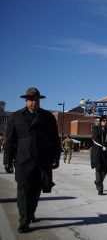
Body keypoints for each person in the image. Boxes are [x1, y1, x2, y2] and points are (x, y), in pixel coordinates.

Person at [3, 87, 61, 233]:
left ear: (39, 101)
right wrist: (7, 160)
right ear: (26, 101)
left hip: (42, 160)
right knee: (23, 191)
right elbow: (9, 141)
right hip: (23, 159)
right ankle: (24, 220)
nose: (34, 103)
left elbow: (54, 139)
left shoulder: (47, 117)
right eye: (31, 100)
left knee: (36, 191)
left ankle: (30, 213)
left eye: (36, 100)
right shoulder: (16, 117)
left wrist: (56, 157)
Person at [91, 115, 107, 195]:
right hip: (98, 152)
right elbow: (95, 139)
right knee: (98, 169)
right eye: (103, 120)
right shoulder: (96, 128)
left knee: (105, 170)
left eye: (106, 121)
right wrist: (103, 145)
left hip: (106, 152)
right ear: (100, 121)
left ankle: (98, 181)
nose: (105, 122)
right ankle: (100, 189)